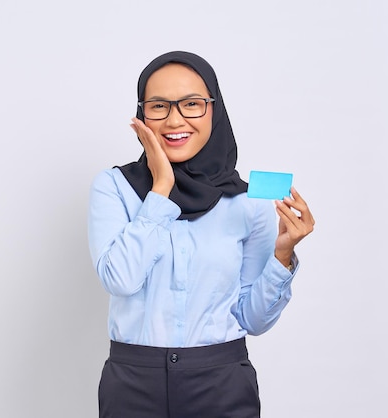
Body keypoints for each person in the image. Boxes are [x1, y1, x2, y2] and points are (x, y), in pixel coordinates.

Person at [87, 51, 315, 418]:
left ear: (214, 108)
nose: (175, 119)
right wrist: (161, 188)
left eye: (192, 104)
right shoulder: (115, 187)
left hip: (221, 381)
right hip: (133, 382)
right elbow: (120, 279)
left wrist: (283, 254)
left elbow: (253, 320)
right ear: (142, 112)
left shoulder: (247, 201)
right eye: (159, 105)